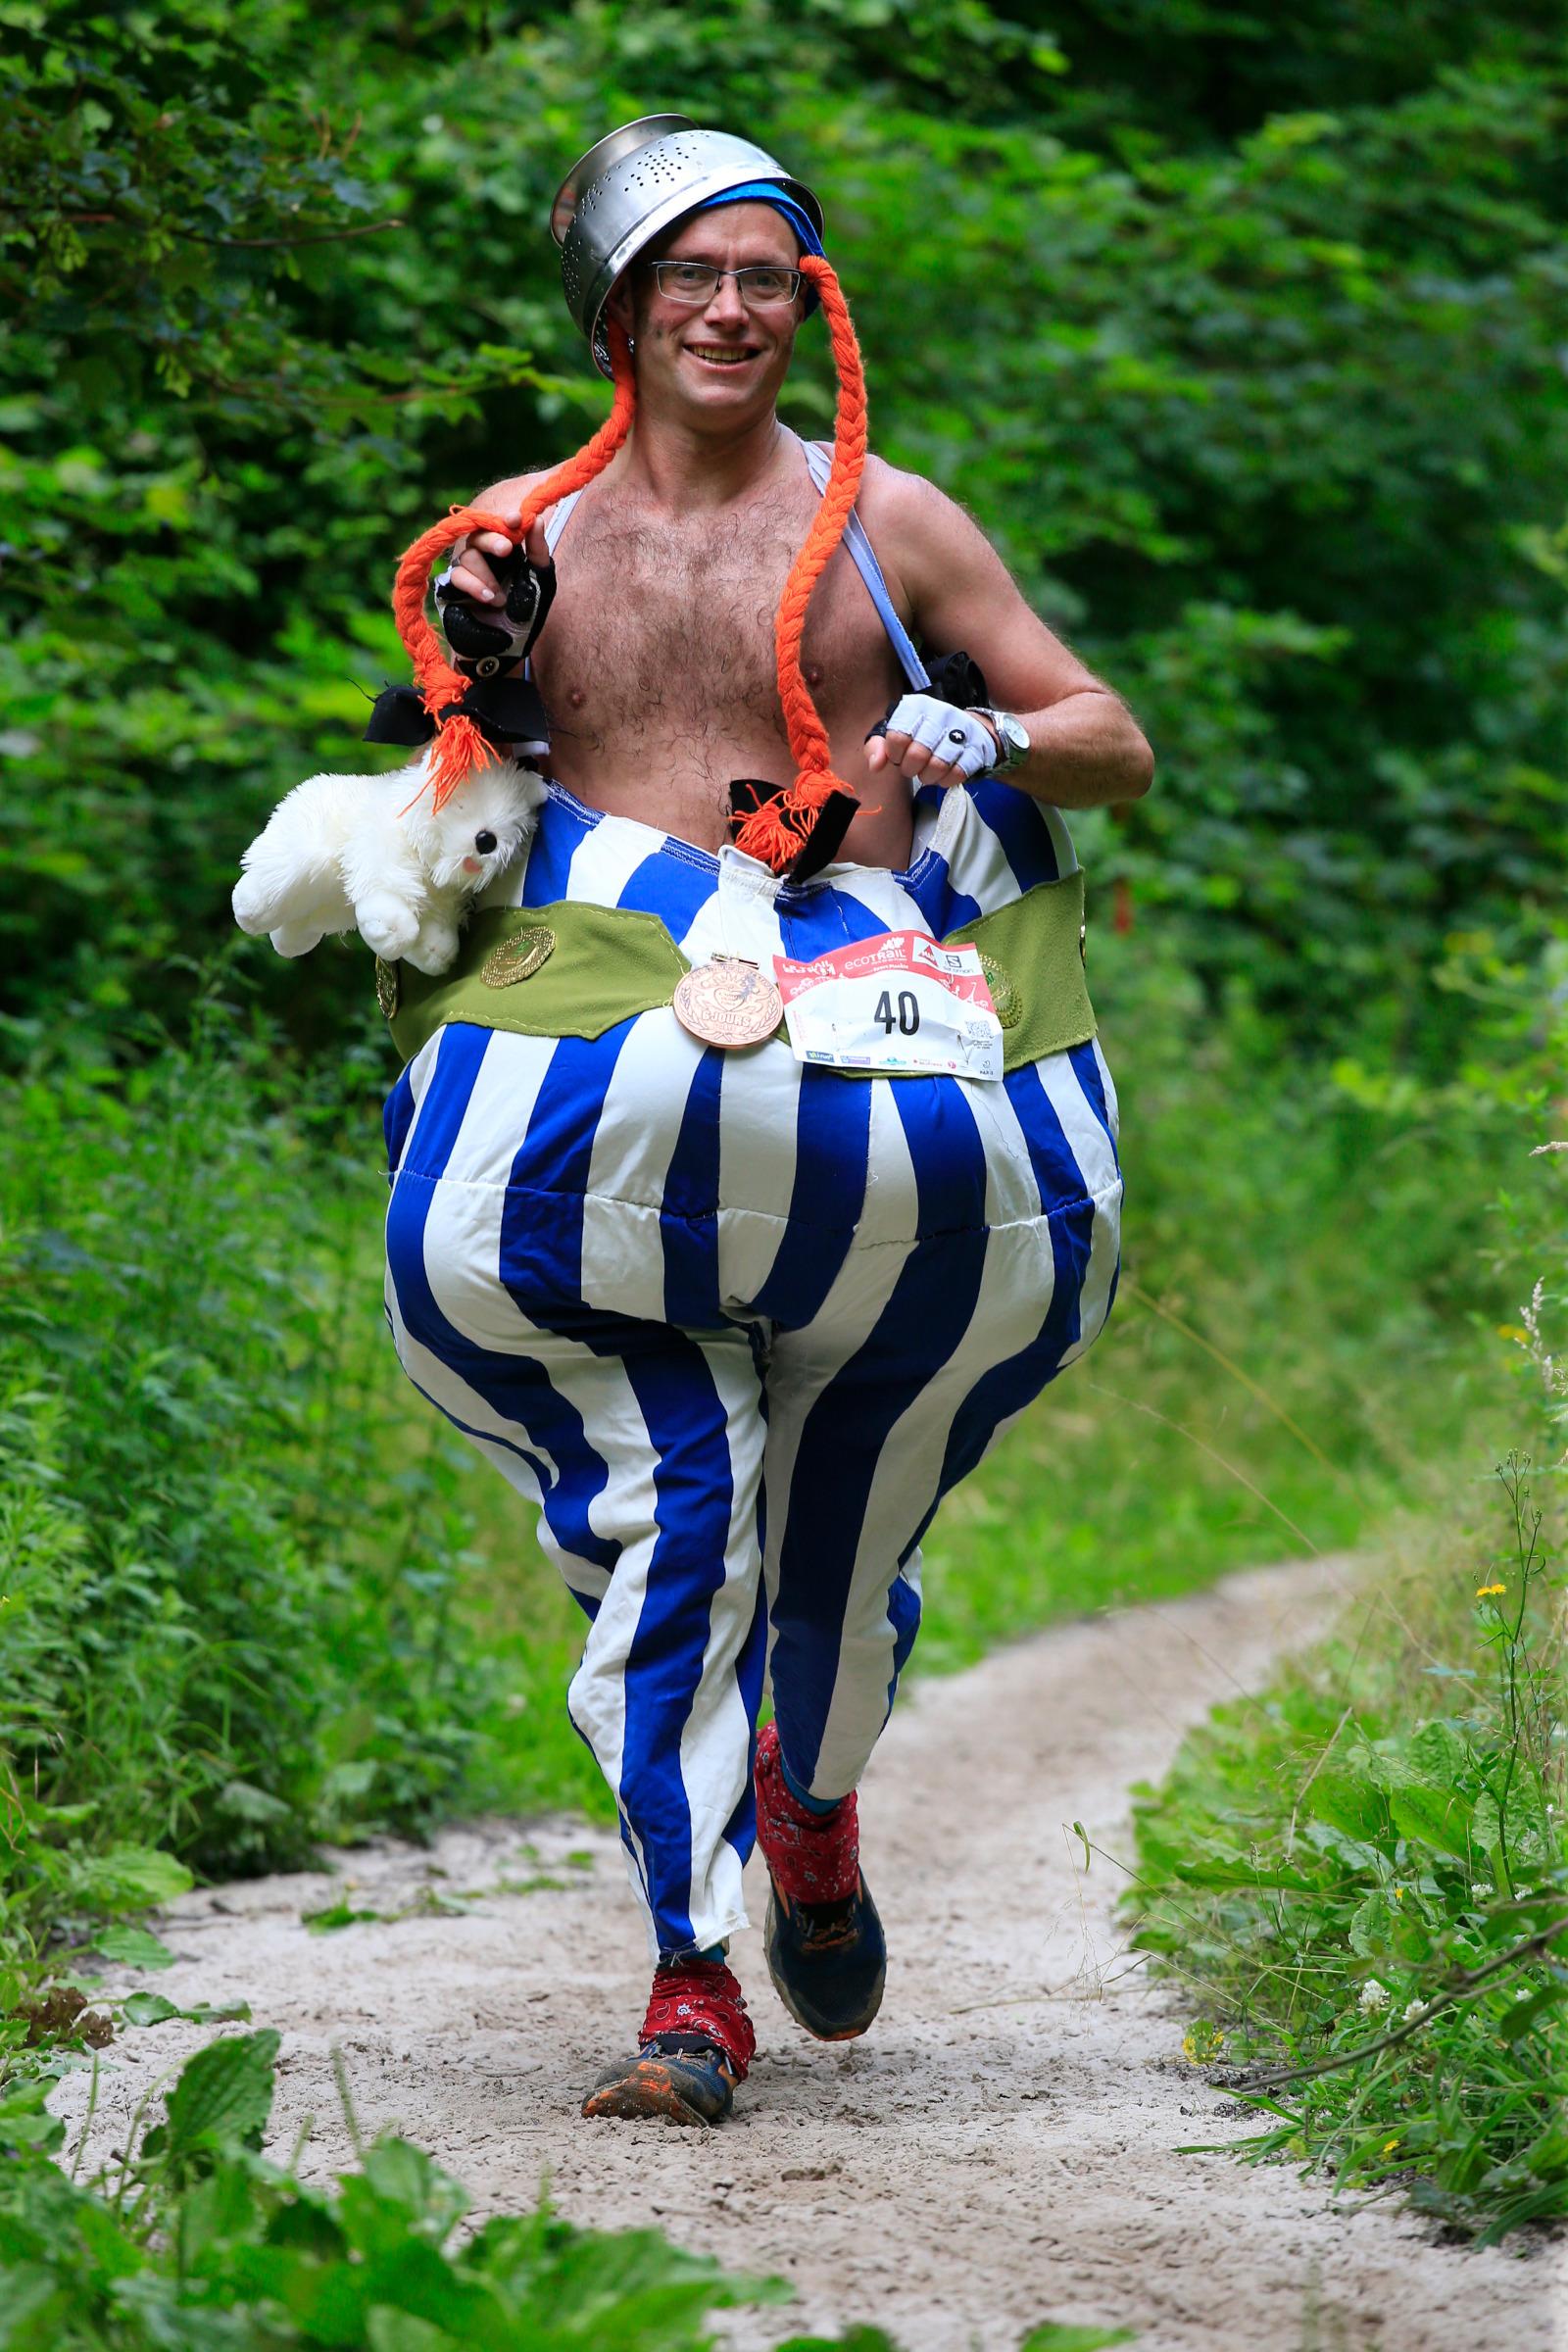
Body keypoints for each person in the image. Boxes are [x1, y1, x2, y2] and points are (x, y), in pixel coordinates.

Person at [376, 119, 1152, 2127]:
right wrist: (463, 681)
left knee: (832, 1552)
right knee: (674, 1527)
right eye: (690, 278)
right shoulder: (521, 527)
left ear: (803, 306)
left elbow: (1110, 740)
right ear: (620, 309)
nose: (730, 311)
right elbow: (463, 786)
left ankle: (810, 1808)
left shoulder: (889, 520)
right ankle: (684, 1981)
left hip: (879, 1115)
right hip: (606, 1123)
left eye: (764, 279)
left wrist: (981, 728)